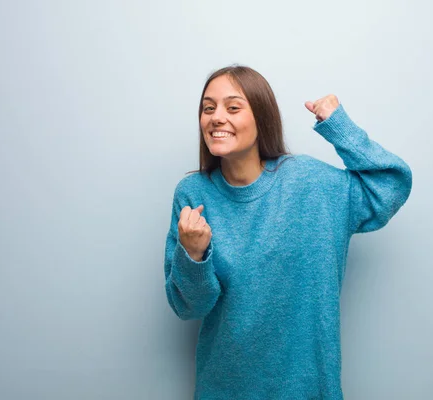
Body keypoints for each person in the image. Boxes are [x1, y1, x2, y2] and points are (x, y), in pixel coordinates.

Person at [164, 65, 412, 399]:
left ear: (261, 118)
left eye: (233, 107)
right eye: (208, 108)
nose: (216, 117)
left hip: (308, 388)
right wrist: (192, 255)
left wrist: (338, 125)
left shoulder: (311, 183)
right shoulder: (194, 194)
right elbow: (188, 308)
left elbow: (390, 186)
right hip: (225, 388)